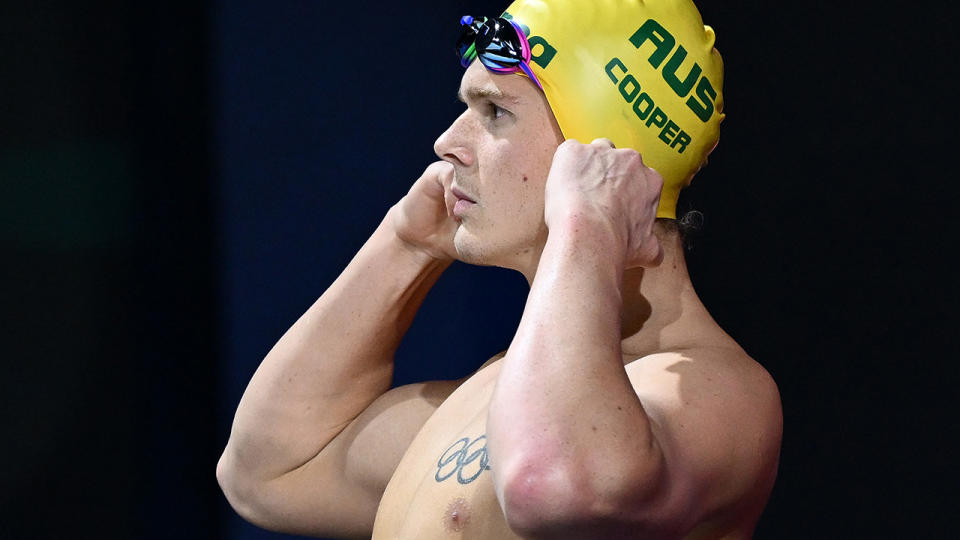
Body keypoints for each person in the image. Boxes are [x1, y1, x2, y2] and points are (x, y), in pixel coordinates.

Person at [216, 0, 783, 538]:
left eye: (494, 112)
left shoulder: (720, 395)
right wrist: (405, 243)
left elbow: (554, 487)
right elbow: (268, 472)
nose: (447, 143)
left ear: (605, 154)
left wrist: (587, 227)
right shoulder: (501, 390)